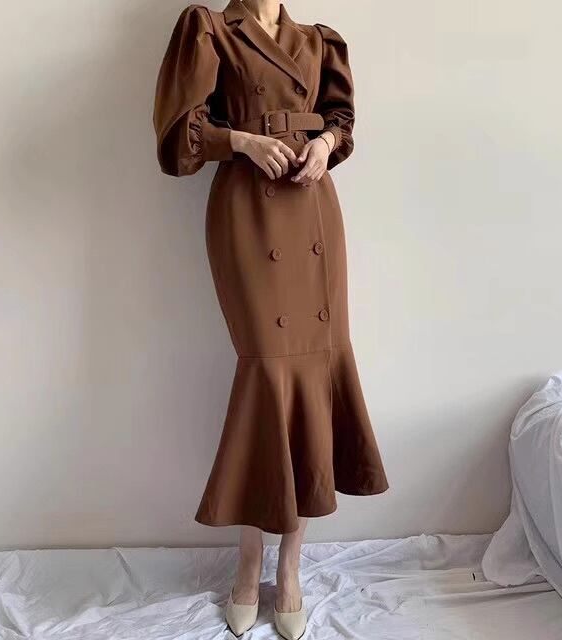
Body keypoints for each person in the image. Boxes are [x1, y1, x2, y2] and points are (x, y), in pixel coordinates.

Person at [153, 1, 389, 637]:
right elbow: (179, 135)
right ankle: (248, 558)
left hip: (311, 208)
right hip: (248, 212)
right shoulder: (209, 29)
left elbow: (341, 118)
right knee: (267, 375)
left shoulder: (318, 40)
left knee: (314, 375)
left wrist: (327, 144)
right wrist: (243, 141)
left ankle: (289, 566)